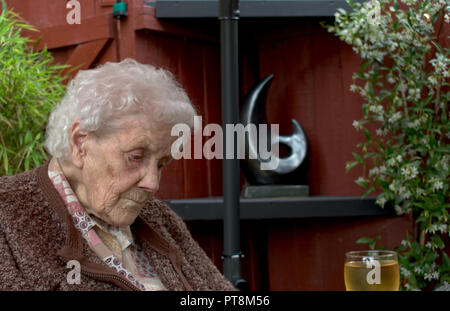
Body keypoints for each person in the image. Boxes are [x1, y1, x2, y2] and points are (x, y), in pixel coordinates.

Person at [0, 58, 235, 291]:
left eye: (161, 164)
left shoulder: (158, 218)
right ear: (80, 143)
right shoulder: (7, 216)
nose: (152, 184)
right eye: (135, 157)